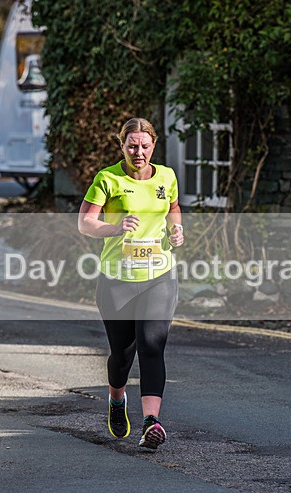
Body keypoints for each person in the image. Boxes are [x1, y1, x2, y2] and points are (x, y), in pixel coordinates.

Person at [78, 118, 184, 450]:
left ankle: (151, 422)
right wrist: (115, 227)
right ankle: (116, 399)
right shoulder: (107, 179)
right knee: (122, 356)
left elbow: (174, 208)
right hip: (117, 281)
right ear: (121, 145)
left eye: (145, 146)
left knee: (152, 346)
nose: (139, 152)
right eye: (132, 146)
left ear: (154, 145)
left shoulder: (166, 176)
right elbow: (85, 222)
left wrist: (176, 229)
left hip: (159, 276)